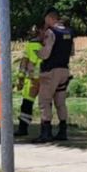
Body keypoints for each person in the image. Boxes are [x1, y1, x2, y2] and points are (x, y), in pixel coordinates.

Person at [35, 8, 74, 142]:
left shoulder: (51, 32)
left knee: (44, 101)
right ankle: (63, 132)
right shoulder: (69, 32)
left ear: (50, 18)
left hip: (51, 71)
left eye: (46, 19)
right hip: (64, 70)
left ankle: (46, 133)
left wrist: (38, 52)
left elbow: (46, 53)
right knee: (61, 103)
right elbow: (72, 52)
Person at [14, 28, 44, 137]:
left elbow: (25, 62)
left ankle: (23, 128)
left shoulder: (31, 45)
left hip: (32, 80)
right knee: (45, 105)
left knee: (26, 105)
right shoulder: (49, 45)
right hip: (47, 78)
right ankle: (46, 131)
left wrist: (21, 78)